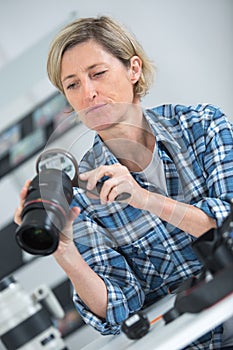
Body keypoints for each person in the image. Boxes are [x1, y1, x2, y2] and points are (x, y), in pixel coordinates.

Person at [14, 16, 233, 349]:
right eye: (72, 85)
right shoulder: (82, 192)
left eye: (97, 73)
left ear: (133, 69)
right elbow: (119, 307)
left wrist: (146, 199)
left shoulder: (202, 126)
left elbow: (229, 228)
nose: (88, 93)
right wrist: (66, 251)